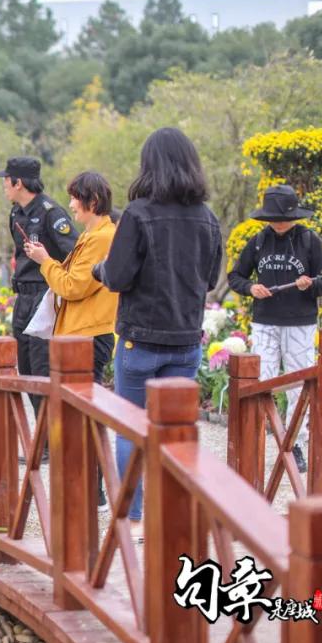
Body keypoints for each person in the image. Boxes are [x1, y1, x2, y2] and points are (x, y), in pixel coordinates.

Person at [94, 128, 223, 540]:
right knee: (175, 432)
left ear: (149, 164)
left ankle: (133, 519)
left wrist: (99, 270)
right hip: (185, 339)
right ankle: (170, 517)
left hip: (140, 340)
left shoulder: (137, 213)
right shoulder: (207, 217)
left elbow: (117, 276)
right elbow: (211, 279)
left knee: (131, 428)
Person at [24, 171, 118, 511]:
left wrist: (44, 262)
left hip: (89, 335)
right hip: (79, 334)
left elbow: (72, 286)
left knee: (84, 416)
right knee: (76, 415)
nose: (71, 205)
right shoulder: (92, 235)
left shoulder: (102, 238)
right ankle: (87, 489)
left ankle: (94, 493)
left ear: (93, 201)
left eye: (76, 198)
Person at [227, 185, 322, 473]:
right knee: (261, 382)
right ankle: (257, 441)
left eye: (284, 218)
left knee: (299, 385)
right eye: (274, 218)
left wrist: (310, 284)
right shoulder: (258, 241)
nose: (280, 223)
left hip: (300, 324)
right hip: (264, 322)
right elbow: (235, 276)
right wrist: (251, 288)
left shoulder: (310, 241)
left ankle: (294, 444)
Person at [0, 156, 78, 400]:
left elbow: (74, 254)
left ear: (18, 183)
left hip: (45, 296)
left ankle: (49, 426)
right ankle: (39, 426)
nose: (4, 186)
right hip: (23, 297)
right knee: (26, 372)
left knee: (42, 370)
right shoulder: (16, 213)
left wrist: (48, 264)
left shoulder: (51, 213)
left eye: (6, 180)